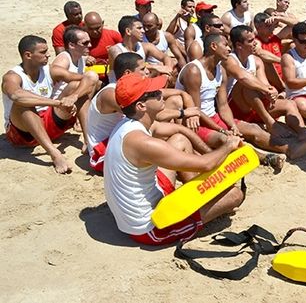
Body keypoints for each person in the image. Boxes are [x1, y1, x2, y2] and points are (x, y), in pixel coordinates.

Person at [103, 72, 246, 245]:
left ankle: (198, 196)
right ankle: (198, 206)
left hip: (141, 203)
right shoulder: (143, 142)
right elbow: (206, 164)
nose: (161, 93)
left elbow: (179, 131)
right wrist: (228, 145)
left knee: (179, 140)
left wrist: (205, 145)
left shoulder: (130, 124)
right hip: (151, 226)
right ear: (141, 106)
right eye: (155, 93)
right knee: (235, 195)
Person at [177, 34, 285, 170]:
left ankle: (288, 147)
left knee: (252, 129)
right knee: (226, 139)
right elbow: (195, 111)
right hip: (194, 122)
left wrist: (232, 125)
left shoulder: (220, 69)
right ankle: (265, 158)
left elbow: (223, 105)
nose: (229, 49)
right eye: (225, 45)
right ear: (213, 46)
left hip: (212, 117)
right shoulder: (194, 71)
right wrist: (221, 129)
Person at [86, 52, 202, 173]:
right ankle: (193, 161)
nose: (147, 72)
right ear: (128, 73)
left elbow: (169, 93)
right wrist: (183, 113)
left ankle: (193, 155)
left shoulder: (130, 88)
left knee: (175, 102)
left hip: (121, 139)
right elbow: (154, 115)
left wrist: (184, 96)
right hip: (103, 153)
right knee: (177, 139)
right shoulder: (112, 94)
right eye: (142, 69)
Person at [226, 25, 306, 160]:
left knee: (289, 104)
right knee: (246, 85)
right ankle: (271, 124)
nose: (255, 43)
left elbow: (264, 83)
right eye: (250, 41)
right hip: (237, 108)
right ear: (239, 45)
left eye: (254, 39)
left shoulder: (256, 60)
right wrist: (265, 89)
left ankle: (304, 136)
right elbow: (242, 77)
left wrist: (271, 92)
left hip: (255, 104)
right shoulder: (230, 60)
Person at [2, 36, 82, 174]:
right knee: (23, 103)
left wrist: (73, 97)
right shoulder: (12, 76)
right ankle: (54, 154)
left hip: (47, 125)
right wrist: (57, 103)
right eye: (43, 52)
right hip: (22, 134)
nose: (48, 55)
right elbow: (16, 95)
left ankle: (88, 142)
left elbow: (87, 78)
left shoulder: (49, 70)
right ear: (28, 55)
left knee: (76, 86)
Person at [50, 26, 100, 145]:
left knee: (93, 83)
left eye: (89, 41)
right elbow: (54, 72)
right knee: (84, 81)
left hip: (70, 107)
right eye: (85, 43)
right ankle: (87, 138)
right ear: (72, 45)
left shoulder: (80, 57)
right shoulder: (63, 59)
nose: (90, 45)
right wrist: (86, 78)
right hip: (57, 110)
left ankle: (81, 122)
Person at [108, 16, 174, 82]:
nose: (143, 31)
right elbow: (129, 66)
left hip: (139, 83)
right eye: (139, 28)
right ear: (128, 31)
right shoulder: (115, 50)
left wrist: (167, 70)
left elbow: (165, 57)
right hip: (119, 86)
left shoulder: (145, 46)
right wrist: (156, 67)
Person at [253, 12, 294, 92]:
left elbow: (296, 25)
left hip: (285, 75)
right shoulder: (256, 41)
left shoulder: (275, 38)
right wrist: (282, 61)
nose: (271, 28)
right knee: (266, 62)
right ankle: (284, 89)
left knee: (293, 45)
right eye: (267, 26)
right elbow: (259, 52)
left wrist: (279, 18)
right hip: (272, 80)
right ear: (258, 28)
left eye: (270, 25)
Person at [83, 11, 122, 81]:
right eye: (91, 29)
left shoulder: (113, 35)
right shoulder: (80, 39)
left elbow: (127, 52)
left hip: (113, 75)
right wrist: (84, 59)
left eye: (98, 28)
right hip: (92, 77)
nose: (95, 32)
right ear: (84, 26)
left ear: (103, 23)